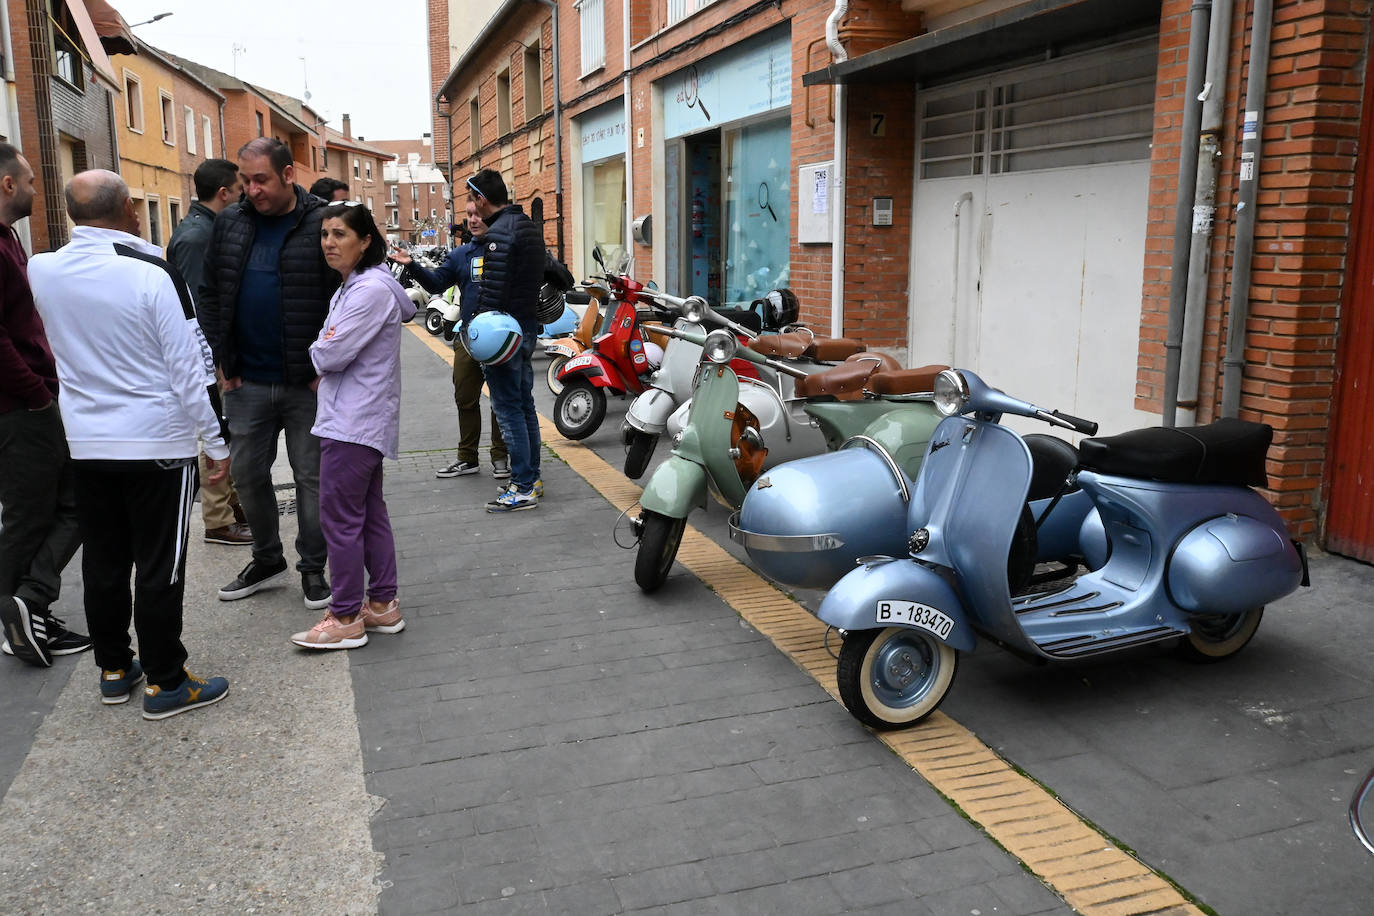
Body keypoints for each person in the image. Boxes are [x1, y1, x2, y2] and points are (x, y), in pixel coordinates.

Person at [27, 170, 229, 718]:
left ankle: (115, 668)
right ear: (129, 212)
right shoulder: (152, 273)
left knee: (105, 559)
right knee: (161, 563)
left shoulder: (42, 269)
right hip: (155, 441)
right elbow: (188, 367)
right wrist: (216, 442)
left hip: (87, 442)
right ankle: (168, 681)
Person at [198, 137, 337, 609]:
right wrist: (222, 358)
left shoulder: (322, 222)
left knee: (311, 478)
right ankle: (266, 556)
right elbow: (211, 292)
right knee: (247, 474)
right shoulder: (231, 223)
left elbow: (348, 296)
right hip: (246, 380)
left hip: (308, 383)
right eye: (245, 181)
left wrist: (328, 366)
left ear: (288, 175)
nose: (251, 190)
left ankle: (313, 568)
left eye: (260, 180)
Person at [291, 201, 414, 649]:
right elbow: (330, 347)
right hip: (357, 417)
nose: (329, 243)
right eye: (325, 234)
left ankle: (344, 615)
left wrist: (322, 346)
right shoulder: (355, 286)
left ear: (365, 241)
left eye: (340, 234)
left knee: (340, 519)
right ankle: (381, 605)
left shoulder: (367, 292)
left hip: (353, 420)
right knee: (368, 512)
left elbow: (330, 353)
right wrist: (325, 344)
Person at [0, 142, 90, 667]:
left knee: (65, 503)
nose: (38, 189)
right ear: (8, 184)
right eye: (30, 180)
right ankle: (21, 616)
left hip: (31, 400)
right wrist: (35, 395)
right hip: (19, 409)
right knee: (33, 515)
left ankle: (27, 607)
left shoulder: (8, 238)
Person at [166, 157, 252, 547]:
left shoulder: (206, 229)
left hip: (212, 351)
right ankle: (218, 519)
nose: (244, 196)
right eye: (239, 190)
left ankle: (231, 508)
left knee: (227, 429)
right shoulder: (198, 237)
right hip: (208, 355)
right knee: (217, 429)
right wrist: (218, 359)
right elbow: (201, 307)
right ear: (223, 193)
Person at [390, 199, 508, 480]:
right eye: (469, 215)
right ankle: (467, 458)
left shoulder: (505, 250)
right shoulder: (460, 255)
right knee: (464, 398)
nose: (474, 219)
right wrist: (413, 266)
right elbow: (436, 284)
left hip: (501, 340)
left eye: (478, 214)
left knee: (500, 401)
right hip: (468, 338)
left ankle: (501, 457)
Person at [465, 169, 544, 513]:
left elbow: (492, 294)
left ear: (482, 199)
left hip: (503, 335)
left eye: (471, 199)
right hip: (527, 328)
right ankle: (532, 477)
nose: (471, 207)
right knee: (525, 406)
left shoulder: (498, 235)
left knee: (508, 409)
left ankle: (522, 486)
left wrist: (477, 333)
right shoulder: (528, 227)